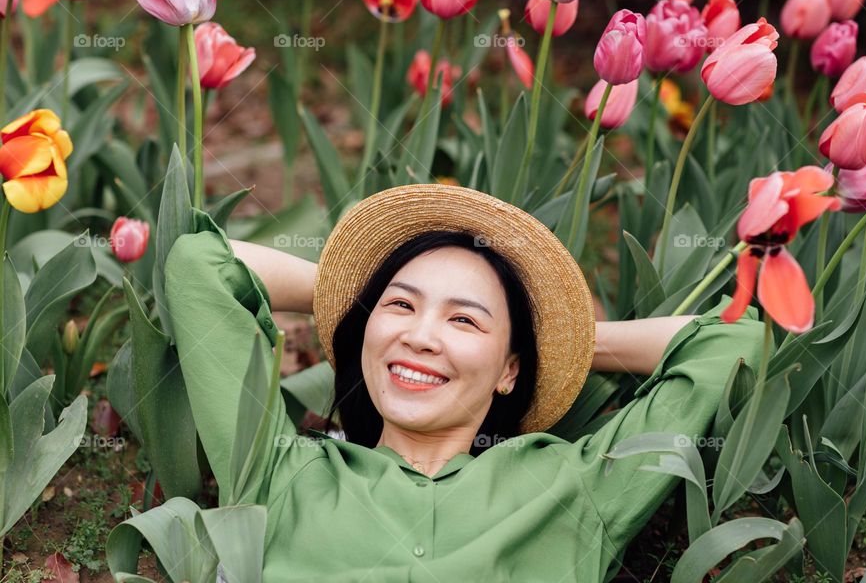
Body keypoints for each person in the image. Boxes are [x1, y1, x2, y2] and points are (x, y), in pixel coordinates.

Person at [164, 184, 765, 582]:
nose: (421, 336)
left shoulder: (572, 488)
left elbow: (736, 340)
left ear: (509, 372)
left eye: (464, 320)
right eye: (402, 306)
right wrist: (358, 298)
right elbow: (199, 265)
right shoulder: (279, 472)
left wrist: (563, 343)